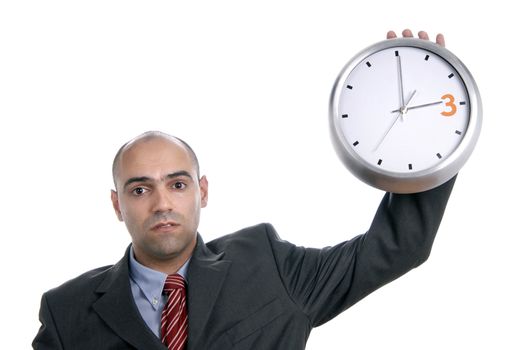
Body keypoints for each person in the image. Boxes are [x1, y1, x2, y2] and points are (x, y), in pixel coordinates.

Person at [33, 29, 456, 350]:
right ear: (117, 204)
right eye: (140, 190)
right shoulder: (66, 310)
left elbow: (398, 247)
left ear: (201, 191)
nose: (162, 203)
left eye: (177, 184)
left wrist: (429, 135)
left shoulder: (267, 263)